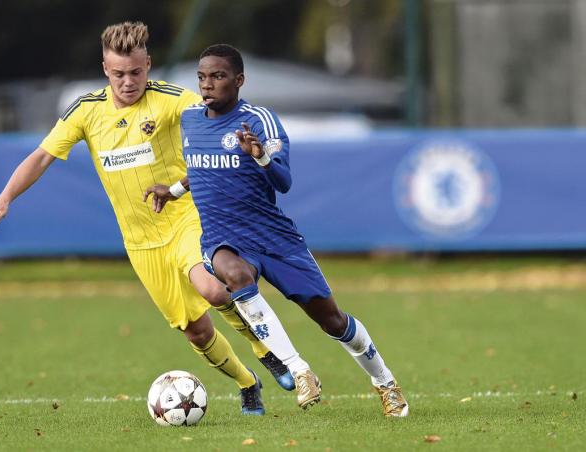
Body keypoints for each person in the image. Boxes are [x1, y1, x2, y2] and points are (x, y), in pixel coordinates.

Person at [0, 22, 310, 415]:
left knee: (213, 288)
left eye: (136, 72)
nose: (129, 81)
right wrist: (5, 197)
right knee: (196, 331)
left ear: (148, 65)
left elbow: (216, 115)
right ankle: (247, 382)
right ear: (105, 69)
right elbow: (42, 156)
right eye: (119, 73)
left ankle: (264, 349)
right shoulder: (86, 111)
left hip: (186, 216)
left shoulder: (172, 100)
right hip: (140, 241)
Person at [144, 44, 409, 417]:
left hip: (274, 239)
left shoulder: (259, 121)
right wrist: (172, 192)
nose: (207, 85)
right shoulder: (190, 119)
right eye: (202, 77)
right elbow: (204, 169)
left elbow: (283, 182)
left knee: (332, 320)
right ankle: (299, 369)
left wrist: (261, 157)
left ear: (239, 80)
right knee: (232, 275)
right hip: (224, 238)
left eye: (218, 76)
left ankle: (386, 383)